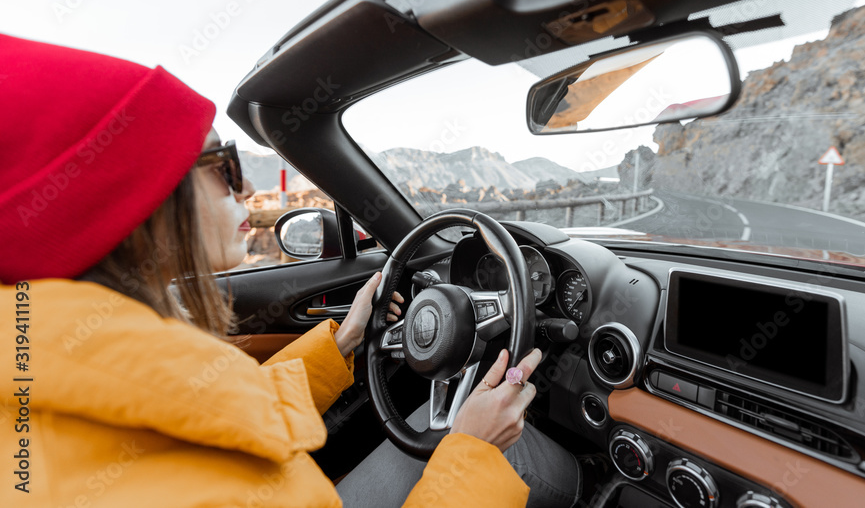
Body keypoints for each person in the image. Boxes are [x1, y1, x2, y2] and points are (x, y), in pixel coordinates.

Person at [0, 34, 580, 507]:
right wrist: (474, 451)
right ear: (134, 197)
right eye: (223, 166)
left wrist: (344, 342)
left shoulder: (56, 369)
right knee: (514, 451)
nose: (248, 186)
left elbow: (218, 407)